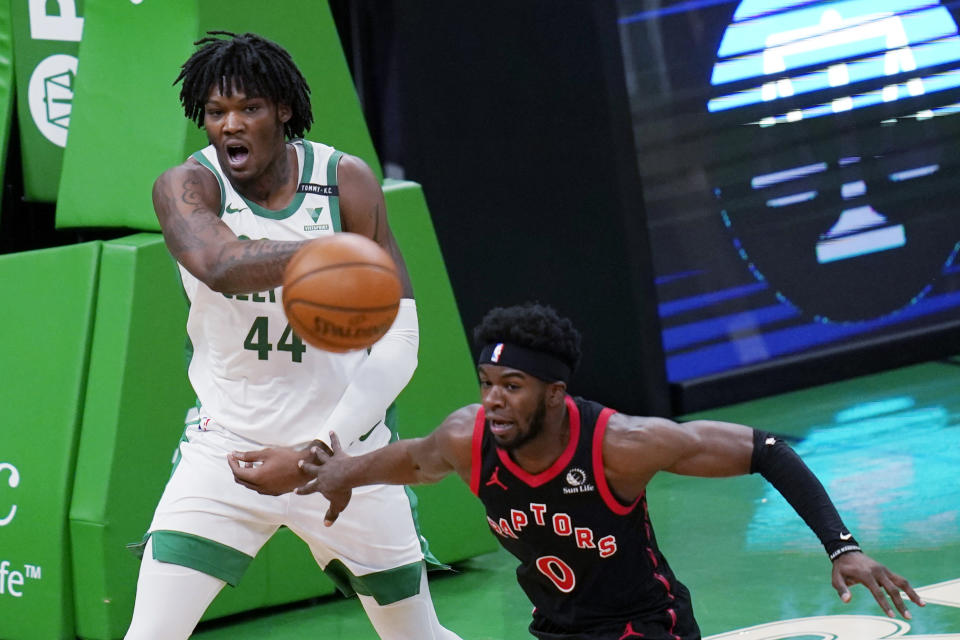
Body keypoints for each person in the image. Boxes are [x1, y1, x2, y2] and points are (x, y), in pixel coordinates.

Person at [284, 302, 926, 640]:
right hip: (558, 628)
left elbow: (765, 449)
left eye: (512, 385)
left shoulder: (620, 445)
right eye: (486, 383)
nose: (493, 400)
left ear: (556, 393)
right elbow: (415, 459)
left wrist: (843, 547)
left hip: (645, 626)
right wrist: (345, 471)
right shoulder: (468, 437)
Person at [125, 31, 460, 640]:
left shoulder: (345, 182)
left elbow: (399, 337)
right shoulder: (187, 188)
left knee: (419, 637)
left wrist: (319, 450)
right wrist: (332, 255)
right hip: (228, 451)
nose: (230, 125)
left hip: (344, 452)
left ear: (282, 109)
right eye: (215, 112)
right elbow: (223, 267)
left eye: (248, 108)